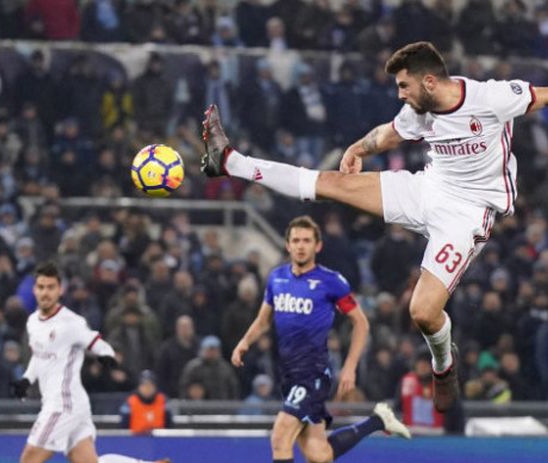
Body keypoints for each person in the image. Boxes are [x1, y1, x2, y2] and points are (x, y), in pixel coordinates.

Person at [201, 41, 548, 413]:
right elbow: (390, 134)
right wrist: (357, 149)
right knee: (328, 184)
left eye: (404, 86)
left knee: (423, 313)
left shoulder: (491, 97)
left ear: (429, 81)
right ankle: (230, 160)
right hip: (428, 188)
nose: (400, 94)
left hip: (469, 212)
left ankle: (444, 365)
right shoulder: (419, 109)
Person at [230, 215, 409, 463]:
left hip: (313, 372)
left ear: (318, 246)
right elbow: (263, 320)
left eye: (306, 240)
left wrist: (349, 367)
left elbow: (361, 322)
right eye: (296, 240)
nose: (301, 245)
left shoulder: (331, 282)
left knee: (280, 436)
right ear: (288, 245)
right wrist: (244, 343)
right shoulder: (276, 278)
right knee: (318, 455)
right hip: (289, 374)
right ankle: (378, 421)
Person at [11, 262, 170, 463]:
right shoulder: (33, 322)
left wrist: (106, 354)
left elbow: (94, 341)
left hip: (63, 404)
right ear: (34, 290)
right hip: (71, 404)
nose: (45, 293)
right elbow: (40, 355)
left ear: (60, 290)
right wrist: (26, 379)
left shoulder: (71, 322)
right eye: (41, 287)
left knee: (29, 459)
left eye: (51, 287)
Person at [119, 370, 172, 435]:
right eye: (144, 386)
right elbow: (124, 428)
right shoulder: (130, 402)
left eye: (150, 385)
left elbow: (169, 427)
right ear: (139, 387)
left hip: (159, 442)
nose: (147, 389)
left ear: (155, 387)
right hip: (135, 441)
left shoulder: (163, 401)